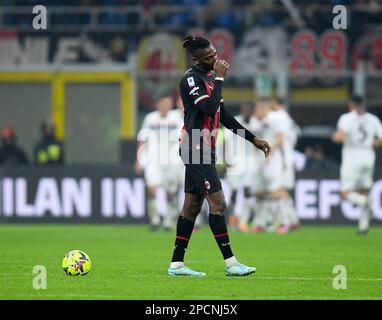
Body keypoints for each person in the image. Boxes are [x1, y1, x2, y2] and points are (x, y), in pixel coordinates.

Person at [167, 34, 271, 277]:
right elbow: (207, 108)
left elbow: (222, 115)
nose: (216, 59)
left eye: (215, 54)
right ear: (196, 59)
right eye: (210, 57)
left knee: (191, 207)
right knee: (219, 203)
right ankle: (231, 264)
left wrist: (252, 138)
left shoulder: (210, 78)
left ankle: (176, 265)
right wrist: (222, 78)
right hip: (194, 146)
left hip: (205, 147)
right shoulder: (191, 79)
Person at [332, 95, 382, 235]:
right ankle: (363, 226)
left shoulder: (347, 118)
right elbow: (381, 140)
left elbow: (340, 136)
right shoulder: (373, 119)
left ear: (351, 104)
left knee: (345, 193)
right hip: (368, 156)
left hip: (352, 156)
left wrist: (335, 137)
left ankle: (364, 201)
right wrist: (372, 143)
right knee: (364, 189)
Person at [136, 95, 184, 231]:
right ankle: (155, 219)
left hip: (171, 160)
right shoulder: (150, 118)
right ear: (158, 104)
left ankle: (169, 219)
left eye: (169, 104)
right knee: (152, 189)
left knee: (170, 193)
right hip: (153, 159)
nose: (166, 106)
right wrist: (139, 160)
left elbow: (186, 109)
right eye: (164, 104)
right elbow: (143, 139)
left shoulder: (176, 117)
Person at [224, 102, 261, 232]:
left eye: (249, 110)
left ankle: (243, 221)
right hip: (235, 160)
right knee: (233, 192)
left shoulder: (257, 123)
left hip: (251, 160)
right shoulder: (235, 121)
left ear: (252, 111)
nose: (246, 112)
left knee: (248, 190)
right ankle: (232, 219)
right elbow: (226, 141)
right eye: (244, 109)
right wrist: (226, 159)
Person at [270, 98, 300, 232]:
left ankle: (285, 223)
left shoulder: (278, 117)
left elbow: (281, 138)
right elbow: (294, 139)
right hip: (288, 157)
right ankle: (293, 220)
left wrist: (270, 150)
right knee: (284, 192)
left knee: (278, 191)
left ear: (276, 104)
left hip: (281, 159)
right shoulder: (289, 119)